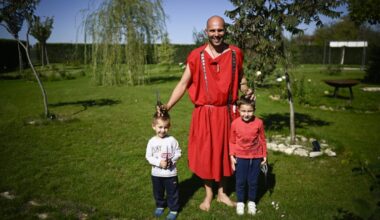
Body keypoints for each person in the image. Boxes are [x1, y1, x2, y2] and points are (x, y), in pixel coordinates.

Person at [158, 15, 255, 211]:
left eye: (220, 30)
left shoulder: (236, 53)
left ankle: (222, 193)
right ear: (206, 32)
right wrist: (167, 106)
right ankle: (209, 195)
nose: (216, 34)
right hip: (205, 113)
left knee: (227, 154)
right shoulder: (196, 55)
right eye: (213, 30)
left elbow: (241, 77)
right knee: (206, 154)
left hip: (228, 112)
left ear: (225, 30)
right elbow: (183, 84)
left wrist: (245, 89)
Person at [229, 96, 267, 215]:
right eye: (243, 111)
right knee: (240, 181)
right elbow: (232, 141)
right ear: (239, 110)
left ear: (254, 110)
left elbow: (262, 140)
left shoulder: (259, 123)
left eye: (249, 111)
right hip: (240, 157)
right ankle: (240, 202)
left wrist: (264, 155)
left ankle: (251, 202)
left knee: (253, 181)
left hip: (256, 157)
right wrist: (231, 156)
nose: (246, 114)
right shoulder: (235, 123)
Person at [146, 112, 181, 220]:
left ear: (169, 127)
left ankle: (174, 209)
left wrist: (172, 160)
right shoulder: (151, 142)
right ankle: (160, 205)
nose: (162, 130)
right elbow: (148, 157)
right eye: (160, 127)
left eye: (165, 127)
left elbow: (178, 152)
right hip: (156, 174)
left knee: (172, 193)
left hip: (170, 174)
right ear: (154, 126)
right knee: (158, 192)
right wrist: (158, 163)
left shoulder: (172, 140)